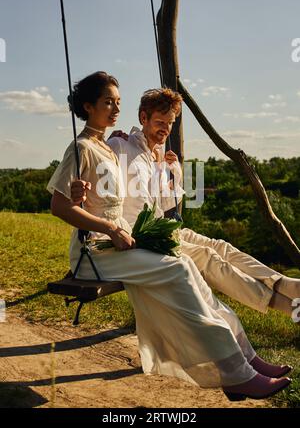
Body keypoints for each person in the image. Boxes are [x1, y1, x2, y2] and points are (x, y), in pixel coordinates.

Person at [48, 71, 291, 401]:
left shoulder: (106, 148)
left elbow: (125, 195)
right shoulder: (82, 147)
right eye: (108, 102)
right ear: (88, 106)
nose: (115, 107)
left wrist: (166, 170)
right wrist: (104, 222)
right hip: (92, 254)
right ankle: (235, 372)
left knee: (188, 267)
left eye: (118, 101)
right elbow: (59, 206)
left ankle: (243, 361)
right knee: (179, 268)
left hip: (115, 247)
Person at [71, 87, 300, 323]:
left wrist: (173, 172)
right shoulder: (121, 145)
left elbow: (167, 204)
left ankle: (285, 284)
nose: (165, 129)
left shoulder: (156, 156)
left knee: (220, 246)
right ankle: (290, 308)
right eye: (160, 121)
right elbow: (98, 166)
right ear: (143, 118)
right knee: (209, 257)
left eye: (170, 123)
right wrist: (83, 186)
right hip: (136, 237)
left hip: (159, 229)